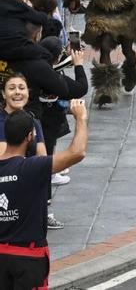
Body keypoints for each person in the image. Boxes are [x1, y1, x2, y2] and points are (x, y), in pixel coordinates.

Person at [0, 102, 88, 288]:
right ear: (30, 137)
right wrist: (81, 118)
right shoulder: (33, 168)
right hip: (28, 258)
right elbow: (77, 152)